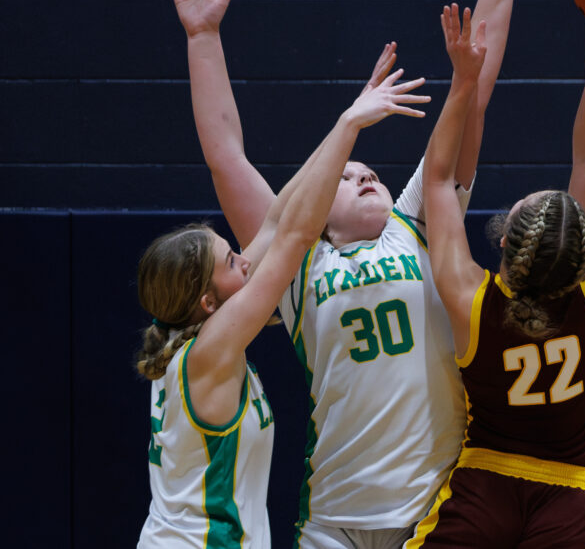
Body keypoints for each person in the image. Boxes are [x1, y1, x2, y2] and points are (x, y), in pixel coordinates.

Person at [163, 0, 540, 547]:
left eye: (370, 173)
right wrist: (203, 38)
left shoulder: (419, 221)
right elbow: (227, 156)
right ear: (315, 206)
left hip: (436, 510)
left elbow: (474, 88)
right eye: (345, 176)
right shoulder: (290, 260)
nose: (363, 177)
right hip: (334, 519)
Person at [136, 38, 430, 546]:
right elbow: (293, 233)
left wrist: (352, 114)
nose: (247, 257)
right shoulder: (212, 349)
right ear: (208, 302)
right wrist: (347, 125)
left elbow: (277, 215)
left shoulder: (188, 347)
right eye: (232, 261)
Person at [406, 5, 585, 548]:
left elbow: (438, 181)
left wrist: (464, 81)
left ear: (505, 240)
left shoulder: (471, 298)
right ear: (584, 256)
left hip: (486, 481)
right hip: (570, 492)